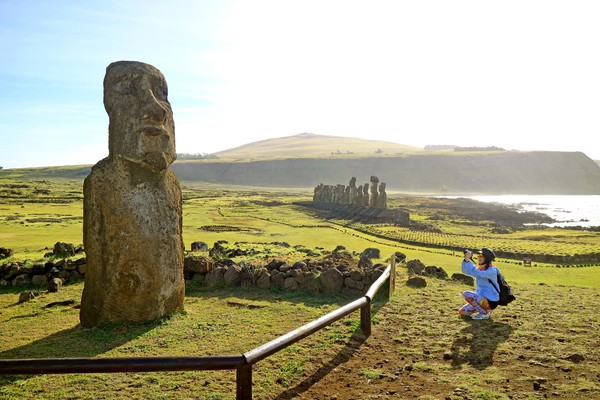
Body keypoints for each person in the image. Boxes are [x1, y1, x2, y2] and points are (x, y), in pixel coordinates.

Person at [458, 247, 500, 320]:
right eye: (479, 255)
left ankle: (484, 313)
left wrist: (468, 261)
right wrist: (466, 260)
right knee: (462, 312)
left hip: (490, 300)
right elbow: (466, 271)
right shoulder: (480, 268)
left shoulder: (492, 270)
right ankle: (482, 310)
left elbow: (478, 274)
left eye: (482, 256)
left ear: (487, 258)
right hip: (480, 299)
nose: (479, 258)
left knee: (466, 294)